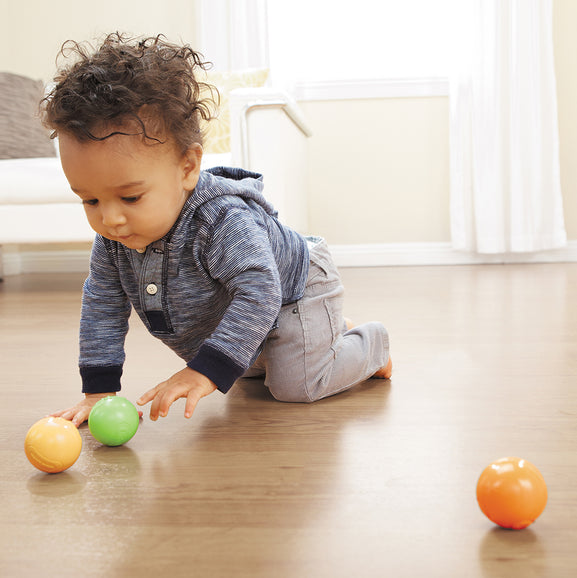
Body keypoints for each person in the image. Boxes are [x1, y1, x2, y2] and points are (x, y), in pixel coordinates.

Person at [43, 33, 391, 427]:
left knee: (296, 387)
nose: (110, 220)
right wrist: (99, 392)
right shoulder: (114, 238)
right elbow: (103, 305)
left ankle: (368, 343)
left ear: (188, 167)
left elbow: (260, 290)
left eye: (131, 198)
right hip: (248, 303)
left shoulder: (221, 219)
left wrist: (203, 372)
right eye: (90, 201)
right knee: (248, 370)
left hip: (293, 288)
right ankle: (320, 333)